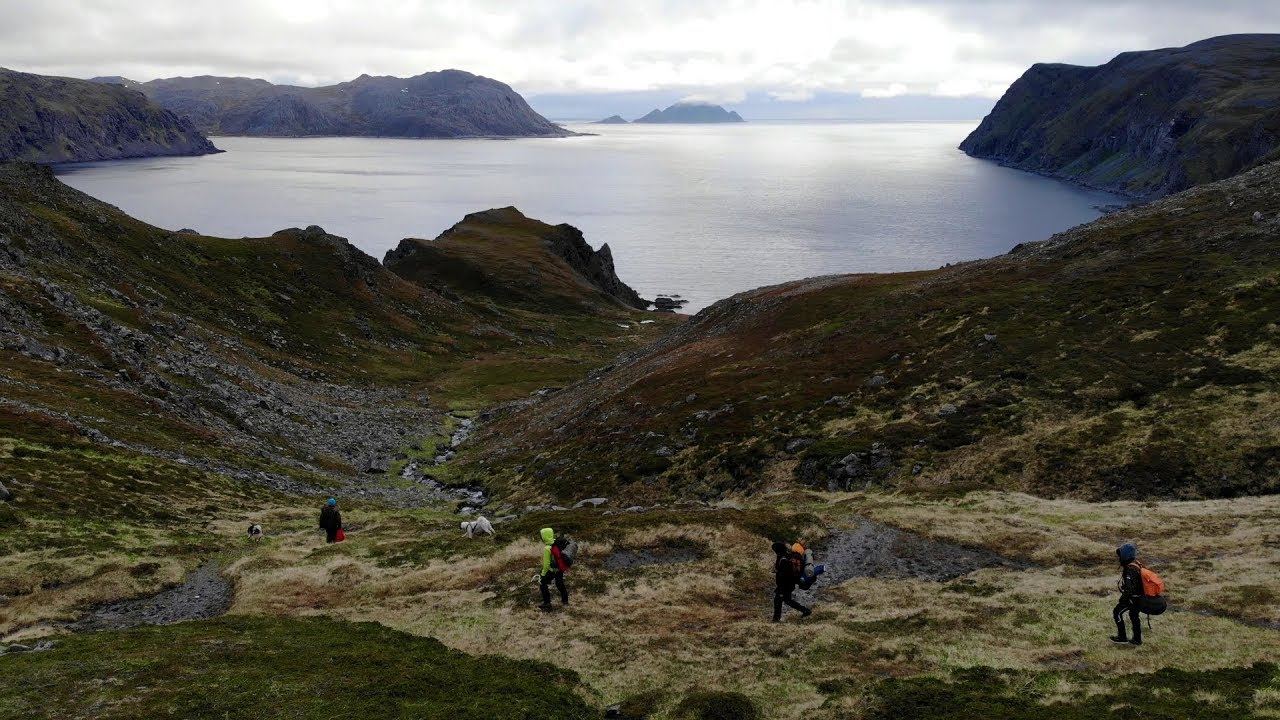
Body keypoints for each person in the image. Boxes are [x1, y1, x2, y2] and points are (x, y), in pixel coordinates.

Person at [1111, 543, 1165, 646]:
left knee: (1117, 612)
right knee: (1133, 615)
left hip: (1133, 599)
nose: (1119, 558)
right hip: (1140, 598)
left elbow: (1129, 588)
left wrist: (1123, 599)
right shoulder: (1137, 565)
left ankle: (1122, 637)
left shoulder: (1130, 569)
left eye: (1120, 555)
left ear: (1125, 556)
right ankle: (1137, 639)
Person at [772, 541, 811, 622]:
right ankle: (805, 610)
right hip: (789, 584)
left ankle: (776, 620)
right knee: (787, 600)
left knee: (778, 601)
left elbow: (784, 573)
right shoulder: (786, 556)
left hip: (784, 585)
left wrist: (781, 585)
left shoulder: (783, 559)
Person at [538, 527, 569, 610]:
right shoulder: (557, 542)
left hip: (553, 570)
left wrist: (543, 574)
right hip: (560, 568)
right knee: (559, 583)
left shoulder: (547, 548)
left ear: (544, 537)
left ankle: (547, 603)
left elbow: (546, 565)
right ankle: (565, 600)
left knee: (542, 583)